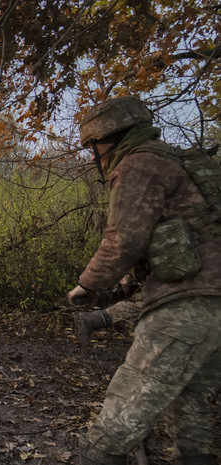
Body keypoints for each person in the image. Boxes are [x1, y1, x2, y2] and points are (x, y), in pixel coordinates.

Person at [68, 96, 221, 465]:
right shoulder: (178, 163)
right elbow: (175, 240)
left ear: (111, 137)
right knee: (192, 411)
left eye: (93, 147)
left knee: (119, 419)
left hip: (186, 308)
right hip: (212, 305)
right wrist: (125, 285)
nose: (93, 158)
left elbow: (124, 239)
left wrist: (87, 285)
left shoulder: (137, 164)